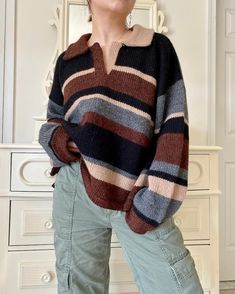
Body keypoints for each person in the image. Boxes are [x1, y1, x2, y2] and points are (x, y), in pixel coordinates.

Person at [38, 0, 204, 293]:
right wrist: (60, 142)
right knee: (78, 287)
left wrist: (153, 202)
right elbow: (53, 119)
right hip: (77, 187)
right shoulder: (68, 59)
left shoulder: (157, 49)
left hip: (137, 190)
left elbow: (173, 126)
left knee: (179, 286)